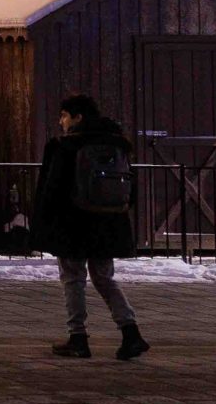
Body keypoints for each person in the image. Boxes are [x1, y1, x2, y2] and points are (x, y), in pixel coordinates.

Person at [34, 93, 149, 360]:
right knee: (104, 278)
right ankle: (131, 332)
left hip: (72, 223)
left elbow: (52, 191)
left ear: (78, 117)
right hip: (107, 224)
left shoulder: (65, 146)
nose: (61, 121)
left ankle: (78, 337)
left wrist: (45, 225)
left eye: (64, 115)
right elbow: (130, 189)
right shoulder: (117, 144)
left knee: (73, 279)